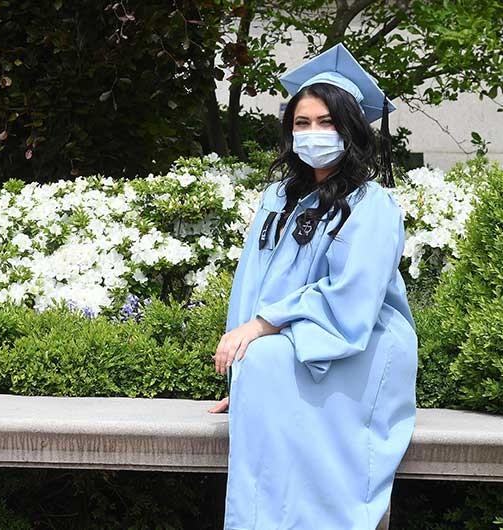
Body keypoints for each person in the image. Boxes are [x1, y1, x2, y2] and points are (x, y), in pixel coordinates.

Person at [208, 44, 417, 529]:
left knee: (265, 360)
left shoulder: (372, 205)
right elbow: (252, 287)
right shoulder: (278, 199)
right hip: (287, 342)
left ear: (352, 130)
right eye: (302, 123)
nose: (313, 134)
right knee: (258, 367)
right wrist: (247, 376)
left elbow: (351, 301)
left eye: (327, 123)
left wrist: (263, 331)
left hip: (359, 344)